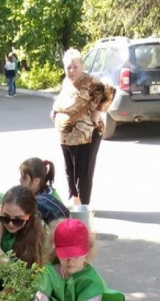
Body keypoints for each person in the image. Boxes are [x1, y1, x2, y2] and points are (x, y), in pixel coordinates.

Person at [51, 48, 115, 207]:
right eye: (68, 67)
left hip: (86, 136)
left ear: (82, 66)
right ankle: (75, 202)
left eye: (75, 67)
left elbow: (110, 92)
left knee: (83, 173)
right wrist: (54, 110)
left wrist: (98, 113)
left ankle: (84, 207)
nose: (71, 71)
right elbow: (62, 101)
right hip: (66, 137)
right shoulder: (66, 82)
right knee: (69, 171)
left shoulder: (91, 82)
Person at [19, 157, 69, 224]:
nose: (20, 180)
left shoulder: (41, 203)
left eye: (24, 177)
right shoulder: (48, 190)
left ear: (36, 181)